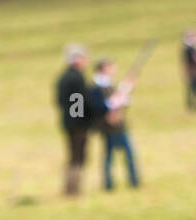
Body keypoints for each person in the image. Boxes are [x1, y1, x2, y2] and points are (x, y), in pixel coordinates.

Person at [90, 60, 139, 190]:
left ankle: (112, 184)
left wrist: (126, 91)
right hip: (109, 125)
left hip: (116, 124)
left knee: (111, 155)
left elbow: (118, 101)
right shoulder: (96, 87)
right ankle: (127, 182)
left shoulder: (107, 84)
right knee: (120, 154)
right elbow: (99, 106)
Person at [55, 43, 91, 196]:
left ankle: (70, 188)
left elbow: (60, 101)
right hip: (77, 124)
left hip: (68, 122)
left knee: (73, 155)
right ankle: (73, 190)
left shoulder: (63, 77)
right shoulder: (75, 78)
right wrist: (82, 122)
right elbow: (78, 102)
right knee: (77, 155)